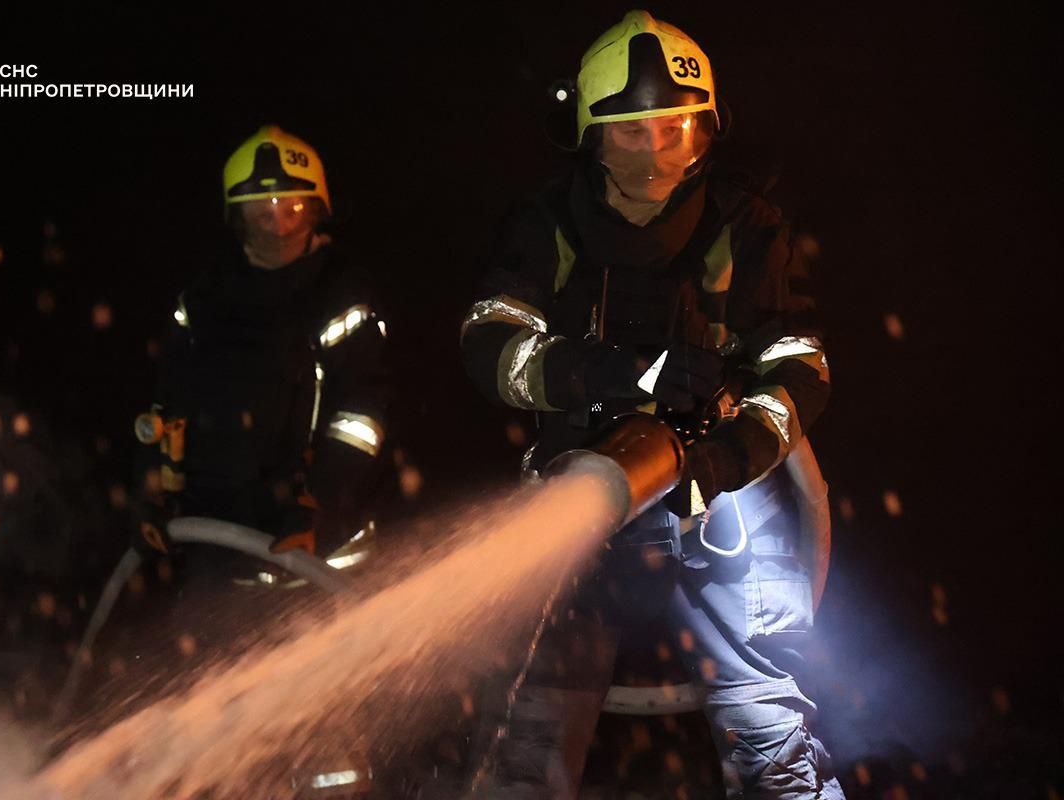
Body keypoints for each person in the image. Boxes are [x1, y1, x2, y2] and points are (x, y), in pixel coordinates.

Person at [460, 11, 843, 798]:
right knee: (530, 745)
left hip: (732, 507)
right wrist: (602, 375)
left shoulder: (747, 227)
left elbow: (798, 365)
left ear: (705, 127)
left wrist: (729, 457)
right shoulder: (549, 226)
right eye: (630, 132)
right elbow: (490, 340)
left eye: (674, 127)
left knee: (770, 736)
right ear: (589, 135)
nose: (657, 150)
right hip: (582, 505)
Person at [131, 124, 391, 582]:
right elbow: (164, 406)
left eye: (292, 207)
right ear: (239, 217)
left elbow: (360, 415)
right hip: (215, 553)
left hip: (320, 560)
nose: (279, 224)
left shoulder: (338, 293)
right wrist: (151, 498)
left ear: (316, 210)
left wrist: (318, 505)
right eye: (263, 211)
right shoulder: (205, 297)